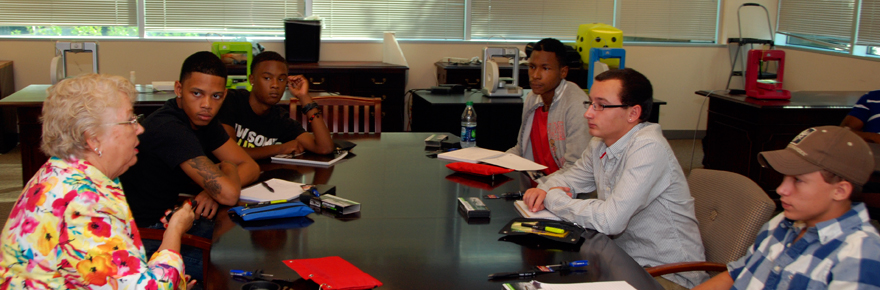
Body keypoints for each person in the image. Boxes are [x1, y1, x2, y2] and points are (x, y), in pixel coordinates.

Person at [0, 74, 196, 289]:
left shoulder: (62, 172)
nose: (139, 128)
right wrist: (175, 231)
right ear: (93, 139)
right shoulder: (84, 204)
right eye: (130, 120)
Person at [523, 68, 708, 289]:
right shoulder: (600, 142)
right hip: (621, 260)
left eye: (600, 105)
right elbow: (571, 177)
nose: (588, 113)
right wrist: (546, 188)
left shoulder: (648, 148)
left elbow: (610, 221)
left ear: (632, 113)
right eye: (590, 103)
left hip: (666, 275)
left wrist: (553, 199)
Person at [120, 51, 260, 283]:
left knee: (253, 238)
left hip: (172, 220)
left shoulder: (203, 119)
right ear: (178, 89)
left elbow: (251, 166)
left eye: (216, 96)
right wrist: (227, 169)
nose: (207, 105)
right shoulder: (170, 128)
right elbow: (229, 191)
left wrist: (210, 190)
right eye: (197, 93)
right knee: (240, 266)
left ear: (224, 95)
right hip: (144, 238)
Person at [694, 126, 880, 290]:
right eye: (785, 177)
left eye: (798, 180)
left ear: (840, 191)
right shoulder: (783, 222)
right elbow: (737, 274)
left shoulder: (860, 255)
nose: (781, 189)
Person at [218, 51, 334, 159]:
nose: (275, 85)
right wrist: (280, 148)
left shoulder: (280, 118)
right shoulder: (231, 101)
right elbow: (230, 154)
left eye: (281, 79)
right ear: (252, 80)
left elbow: (325, 148)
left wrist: (304, 98)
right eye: (267, 78)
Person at [507, 38, 590, 181]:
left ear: (563, 72)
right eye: (532, 67)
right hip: (535, 180)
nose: (535, 75)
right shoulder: (532, 98)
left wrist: (540, 186)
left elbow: (576, 168)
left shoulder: (577, 105)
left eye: (545, 68)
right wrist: (493, 163)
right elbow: (521, 149)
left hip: (565, 190)